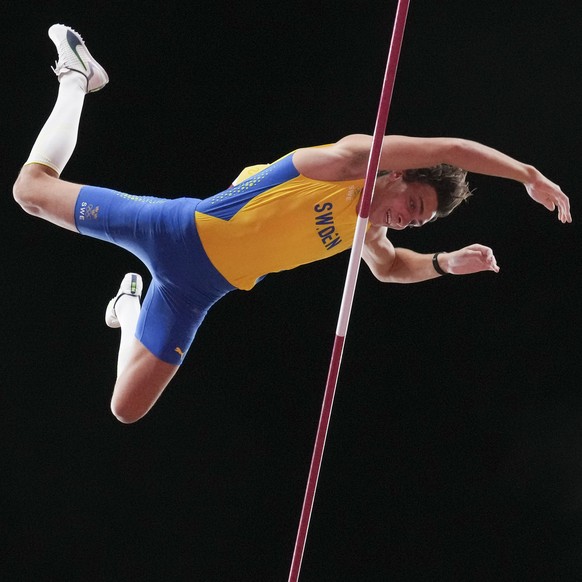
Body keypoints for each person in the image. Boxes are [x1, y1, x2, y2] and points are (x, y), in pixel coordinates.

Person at [13, 25, 571, 424]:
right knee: (29, 191)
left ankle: (128, 304)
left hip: (200, 290)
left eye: (418, 222)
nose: (406, 220)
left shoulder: (369, 232)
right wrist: (527, 173)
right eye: (415, 204)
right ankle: (76, 76)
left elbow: (391, 268)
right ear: (399, 174)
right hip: (175, 230)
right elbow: (449, 147)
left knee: (125, 407)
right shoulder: (347, 161)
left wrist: (446, 264)